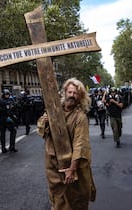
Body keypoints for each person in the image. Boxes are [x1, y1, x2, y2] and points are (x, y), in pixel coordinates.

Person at [37, 78, 96, 210]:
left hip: (71, 167)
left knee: (75, 200)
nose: (71, 95)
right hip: (53, 164)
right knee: (57, 199)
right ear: (65, 92)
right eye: (70, 92)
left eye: (75, 93)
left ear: (80, 96)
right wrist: (45, 120)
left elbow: (80, 145)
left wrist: (72, 169)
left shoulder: (80, 117)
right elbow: (41, 130)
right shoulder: (54, 111)